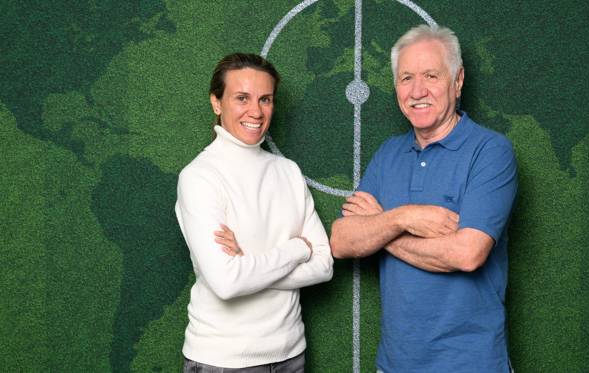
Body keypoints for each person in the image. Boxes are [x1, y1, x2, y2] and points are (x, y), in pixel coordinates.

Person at [330, 25, 518, 372]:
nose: (418, 90)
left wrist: (382, 231)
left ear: (457, 81)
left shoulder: (490, 152)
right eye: (406, 78)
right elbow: (341, 241)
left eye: (431, 75)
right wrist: (404, 217)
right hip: (394, 365)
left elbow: (467, 254)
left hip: (469, 364)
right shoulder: (389, 154)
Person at [175, 53, 333, 372]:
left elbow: (324, 266)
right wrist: (297, 248)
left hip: (290, 355)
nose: (256, 111)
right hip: (222, 361)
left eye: (265, 99)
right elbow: (228, 283)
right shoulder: (199, 177)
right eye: (242, 98)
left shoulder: (287, 172)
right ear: (216, 103)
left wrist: (247, 264)